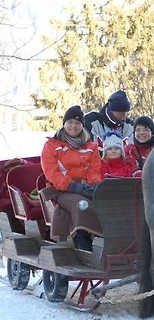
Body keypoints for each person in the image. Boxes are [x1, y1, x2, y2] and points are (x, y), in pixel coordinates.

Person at [40, 105, 103, 251]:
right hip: (61, 190)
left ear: (82, 125)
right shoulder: (52, 145)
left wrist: (93, 186)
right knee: (81, 204)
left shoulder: (91, 147)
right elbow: (52, 173)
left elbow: (95, 170)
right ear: (64, 124)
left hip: (86, 188)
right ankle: (83, 244)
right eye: (70, 122)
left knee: (104, 202)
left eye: (77, 123)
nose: (73, 126)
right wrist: (72, 186)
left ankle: (103, 241)